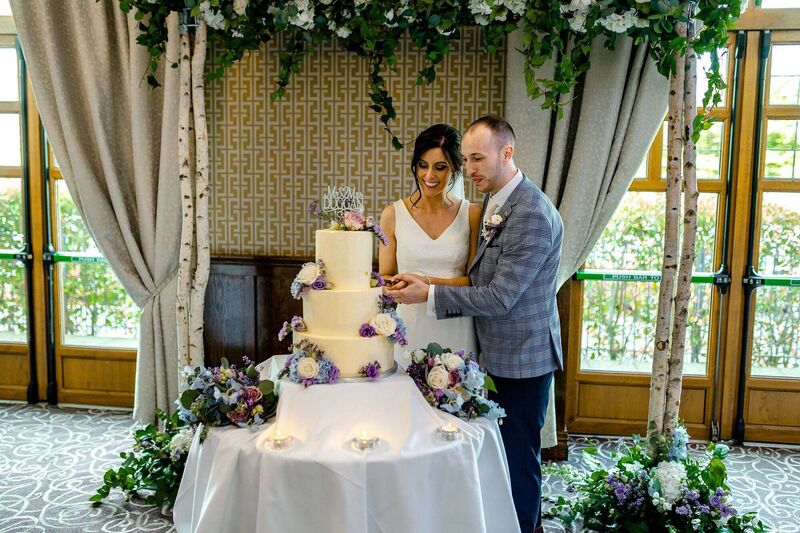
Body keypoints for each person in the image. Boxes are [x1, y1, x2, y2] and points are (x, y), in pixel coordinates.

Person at [387, 116, 563, 533]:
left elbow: (500, 296)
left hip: (522, 356)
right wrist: (427, 280)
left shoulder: (531, 213)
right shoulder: (498, 204)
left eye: (478, 158)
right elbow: (479, 276)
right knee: (496, 457)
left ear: (507, 153)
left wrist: (428, 293)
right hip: (493, 351)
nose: (472, 169)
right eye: (467, 159)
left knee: (519, 461)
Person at [378, 123, 481, 361]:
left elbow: (474, 281)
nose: (429, 176)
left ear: (456, 169)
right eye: (423, 165)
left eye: (440, 167)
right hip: (410, 328)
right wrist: (392, 287)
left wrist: (425, 285)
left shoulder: (472, 215)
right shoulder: (392, 215)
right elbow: (386, 276)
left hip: (457, 325)